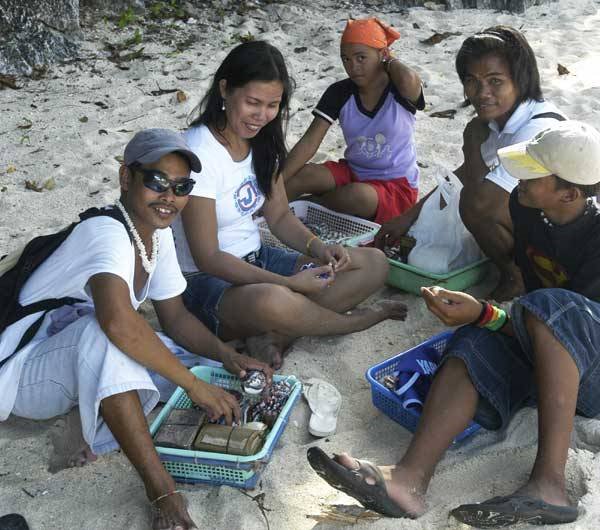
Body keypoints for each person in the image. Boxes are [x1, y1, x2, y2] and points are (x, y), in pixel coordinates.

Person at [307, 121, 600, 527]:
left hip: (592, 371)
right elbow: (533, 317)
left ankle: (549, 484)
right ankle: (408, 480)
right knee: (474, 336)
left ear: (569, 193)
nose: (519, 180)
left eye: (534, 173)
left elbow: (566, 323)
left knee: (546, 307)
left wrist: (487, 312)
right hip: (550, 348)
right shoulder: (526, 206)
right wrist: (483, 318)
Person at [0, 129, 273, 530]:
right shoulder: (106, 231)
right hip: (21, 374)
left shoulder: (154, 236)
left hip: (64, 352)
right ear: (126, 177)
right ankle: (163, 493)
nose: (169, 196)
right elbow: (118, 323)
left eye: (182, 187)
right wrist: (196, 386)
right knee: (111, 337)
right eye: (157, 181)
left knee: (183, 357)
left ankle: (94, 415)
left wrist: (227, 357)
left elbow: (176, 318)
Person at [171, 40, 407, 370]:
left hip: (259, 259)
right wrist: (288, 283)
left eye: (272, 106)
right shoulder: (199, 150)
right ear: (224, 90)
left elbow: (280, 215)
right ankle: (353, 321)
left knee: (373, 263)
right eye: (253, 102)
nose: (261, 116)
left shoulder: (261, 141)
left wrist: (320, 248)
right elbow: (207, 257)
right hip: (207, 284)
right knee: (273, 299)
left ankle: (275, 336)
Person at [375, 26, 566, 301]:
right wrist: (407, 217)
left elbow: (480, 204)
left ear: (520, 80)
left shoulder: (536, 127)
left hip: (567, 243)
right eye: (472, 80)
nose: (482, 92)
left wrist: (471, 145)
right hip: (543, 225)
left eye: (495, 81)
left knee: (474, 205)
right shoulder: (500, 119)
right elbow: (462, 175)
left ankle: (516, 277)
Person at [282, 17, 424, 224]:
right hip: (354, 171)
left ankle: (305, 208)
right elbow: (310, 142)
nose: (353, 66)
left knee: (357, 196)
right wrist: (276, 182)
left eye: (361, 57)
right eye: (346, 59)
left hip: (396, 185)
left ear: (383, 54)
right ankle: (267, 209)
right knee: (304, 174)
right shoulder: (340, 92)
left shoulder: (399, 88)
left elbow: (410, 80)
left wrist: (389, 60)